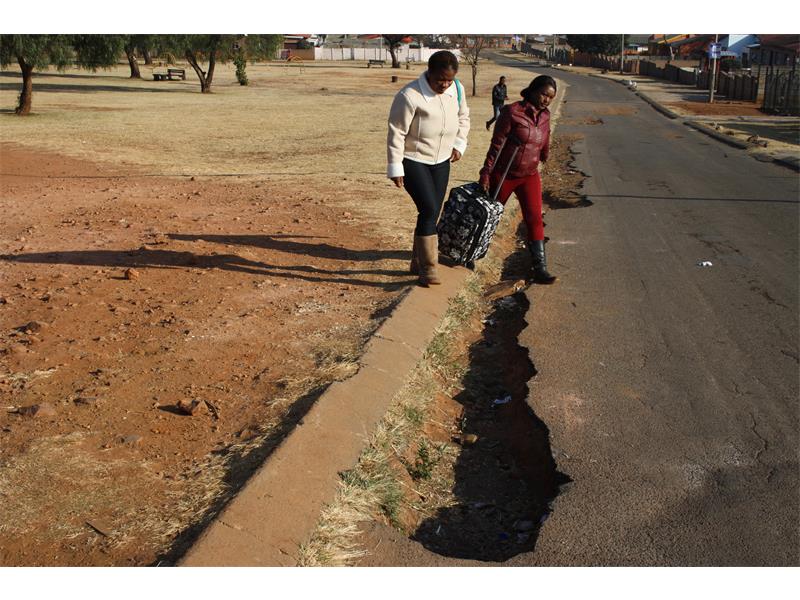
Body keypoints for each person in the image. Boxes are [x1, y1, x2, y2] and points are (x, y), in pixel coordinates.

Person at [387, 50, 470, 286]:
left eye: (449, 80)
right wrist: (395, 166)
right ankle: (429, 268)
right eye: (440, 80)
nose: (444, 85)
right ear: (429, 73)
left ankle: (417, 261)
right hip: (413, 159)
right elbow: (397, 131)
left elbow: (463, 117)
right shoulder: (410, 95)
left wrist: (459, 143)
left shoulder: (457, 89)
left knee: (432, 212)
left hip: (442, 160)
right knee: (429, 208)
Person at [479, 75, 557, 284]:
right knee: (489, 217)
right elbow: (496, 145)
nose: (547, 100)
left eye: (551, 97)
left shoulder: (546, 115)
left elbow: (545, 135)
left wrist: (545, 152)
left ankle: (540, 269)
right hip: (504, 174)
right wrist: (486, 172)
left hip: (529, 175)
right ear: (533, 90)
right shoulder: (512, 112)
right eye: (544, 94)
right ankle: (471, 254)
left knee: (534, 218)